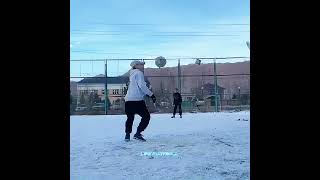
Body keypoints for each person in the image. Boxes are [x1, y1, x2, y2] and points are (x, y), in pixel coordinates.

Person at [124, 60, 156, 142]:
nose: (143, 66)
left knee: (130, 118)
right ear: (136, 65)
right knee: (146, 116)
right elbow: (142, 85)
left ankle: (127, 135)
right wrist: (151, 94)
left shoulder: (131, 74)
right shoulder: (139, 73)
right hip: (137, 100)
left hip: (128, 100)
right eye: (141, 64)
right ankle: (138, 133)